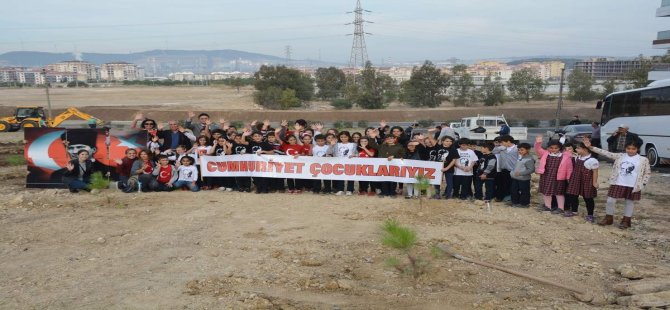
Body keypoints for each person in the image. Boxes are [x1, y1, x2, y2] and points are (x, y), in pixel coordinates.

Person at [584, 138, 651, 229]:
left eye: (633, 149)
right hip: (617, 183)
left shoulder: (643, 160)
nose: (630, 151)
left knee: (629, 202)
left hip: (633, 185)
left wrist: (642, 185)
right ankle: (609, 218)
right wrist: (590, 147)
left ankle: (626, 221)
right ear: (625, 148)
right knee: (610, 201)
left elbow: (647, 173)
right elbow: (606, 153)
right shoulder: (620, 156)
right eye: (628, 148)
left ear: (638, 149)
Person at [535, 136, 574, 214]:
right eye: (551, 148)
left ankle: (560, 208)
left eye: (556, 148)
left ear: (560, 148)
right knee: (546, 192)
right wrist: (538, 143)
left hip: (559, 178)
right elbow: (538, 149)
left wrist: (569, 178)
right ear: (548, 148)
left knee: (559, 193)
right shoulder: (545, 153)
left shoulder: (566, 156)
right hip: (546, 176)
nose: (553, 150)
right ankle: (548, 207)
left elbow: (569, 168)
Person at [564, 143, 599, 222]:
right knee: (573, 195)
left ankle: (590, 214)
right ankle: (574, 211)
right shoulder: (577, 157)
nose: (576, 150)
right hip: (576, 179)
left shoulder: (592, 160)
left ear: (585, 149)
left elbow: (595, 172)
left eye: (578, 148)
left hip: (587, 181)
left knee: (588, 197)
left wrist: (594, 182)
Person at [492, 135, 517, 202]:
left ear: (508, 141)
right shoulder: (502, 148)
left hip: (513, 170)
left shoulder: (517, 148)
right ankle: (501, 197)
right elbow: (493, 151)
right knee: (502, 184)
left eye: (502, 142)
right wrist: (500, 148)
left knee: (512, 185)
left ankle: (512, 197)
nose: (501, 144)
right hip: (503, 169)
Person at [332, 131, 358, 196]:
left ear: (348, 137)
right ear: (339, 137)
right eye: (342, 137)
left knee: (350, 176)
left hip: (350, 162)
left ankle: (350, 190)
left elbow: (357, 153)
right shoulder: (337, 144)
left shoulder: (353, 144)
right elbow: (333, 153)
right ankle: (340, 189)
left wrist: (354, 155)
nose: (343, 138)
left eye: (345, 137)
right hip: (339, 162)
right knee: (340, 176)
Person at [510, 143, 535, 208]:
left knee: (524, 191)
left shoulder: (529, 159)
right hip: (515, 178)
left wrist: (521, 173)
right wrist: (512, 173)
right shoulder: (520, 157)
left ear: (528, 150)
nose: (520, 151)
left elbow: (531, 169)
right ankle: (515, 202)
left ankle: (524, 204)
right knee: (514, 190)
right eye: (519, 150)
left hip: (524, 179)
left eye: (522, 150)